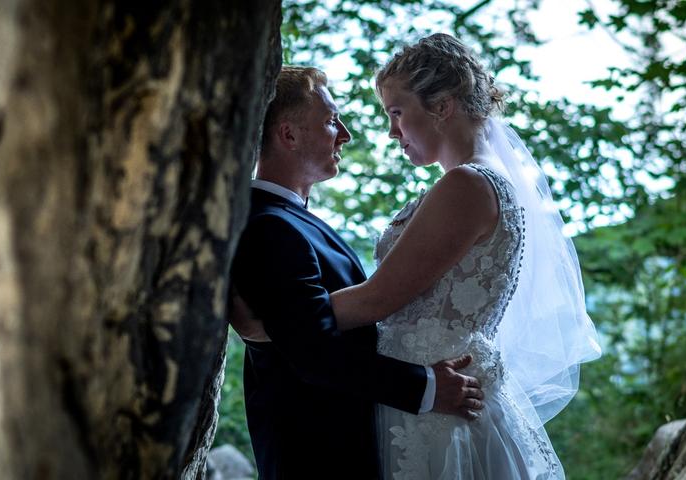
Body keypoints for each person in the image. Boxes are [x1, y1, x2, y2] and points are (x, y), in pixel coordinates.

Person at [327, 33, 602, 479]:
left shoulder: (467, 186)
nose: (392, 132)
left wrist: (283, 320)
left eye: (397, 113)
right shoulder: (480, 181)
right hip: (432, 392)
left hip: (436, 405)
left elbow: (377, 300)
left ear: (441, 106)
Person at [229, 65, 485, 480]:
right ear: (288, 135)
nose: (345, 134)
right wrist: (427, 387)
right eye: (331, 121)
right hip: (317, 452)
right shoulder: (268, 226)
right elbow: (313, 352)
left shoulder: (291, 220)